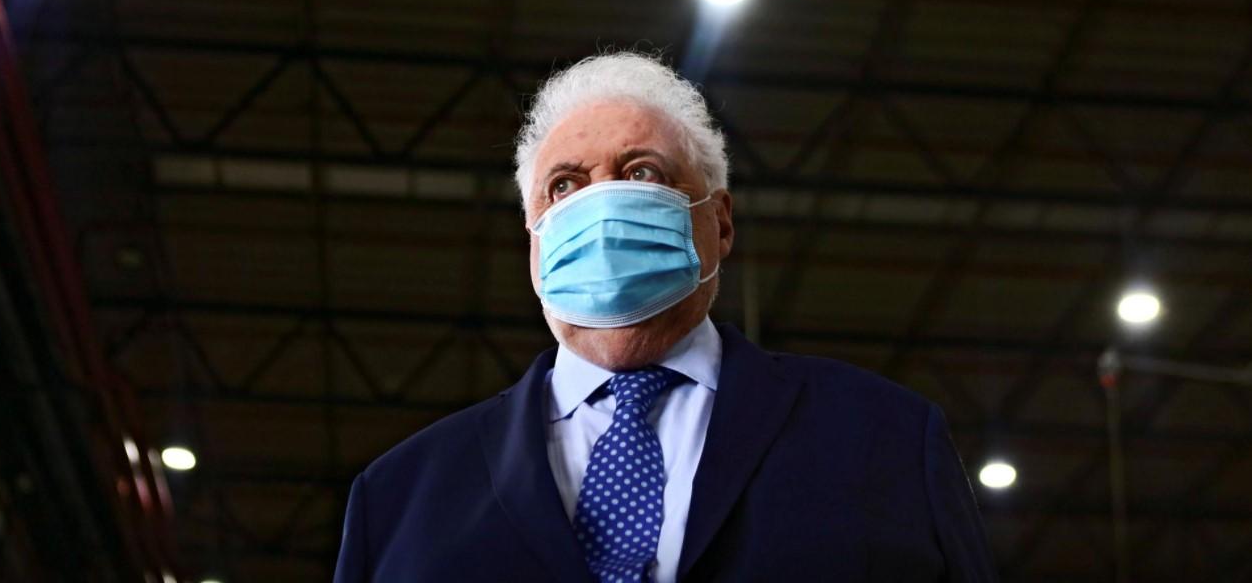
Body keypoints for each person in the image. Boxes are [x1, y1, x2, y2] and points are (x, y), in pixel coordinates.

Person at [333, 52, 997, 582]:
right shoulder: (397, 497)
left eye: (641, 171)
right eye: (564, 185)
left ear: (720, 220)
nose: (600, 206)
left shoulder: (885, 438)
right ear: (534, 236)